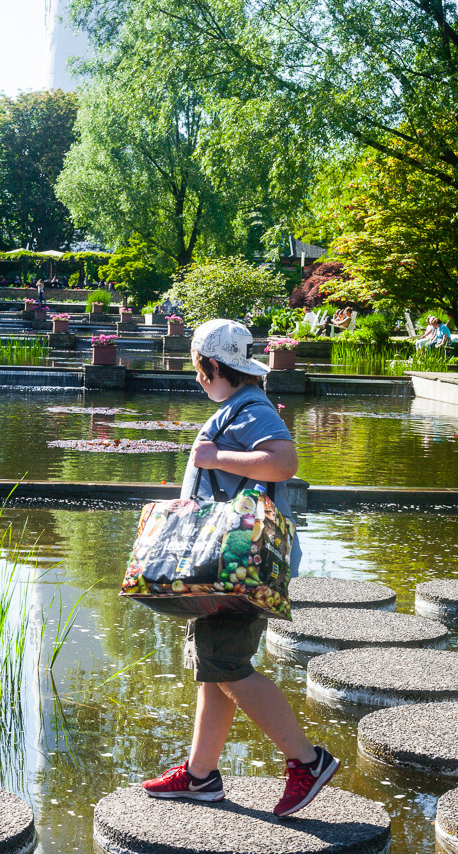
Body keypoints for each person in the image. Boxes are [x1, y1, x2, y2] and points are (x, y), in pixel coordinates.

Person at [142, 319, 340, 818]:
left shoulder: (249, 409)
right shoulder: (241, 406)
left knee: (226, 665)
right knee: (215, 667)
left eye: (197, 369)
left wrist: (213, 455)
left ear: (211, 366)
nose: (197, 379)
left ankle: (307, 761)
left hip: (239, 566)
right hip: (230, 563)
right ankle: (200, 775)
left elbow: (283, 463)